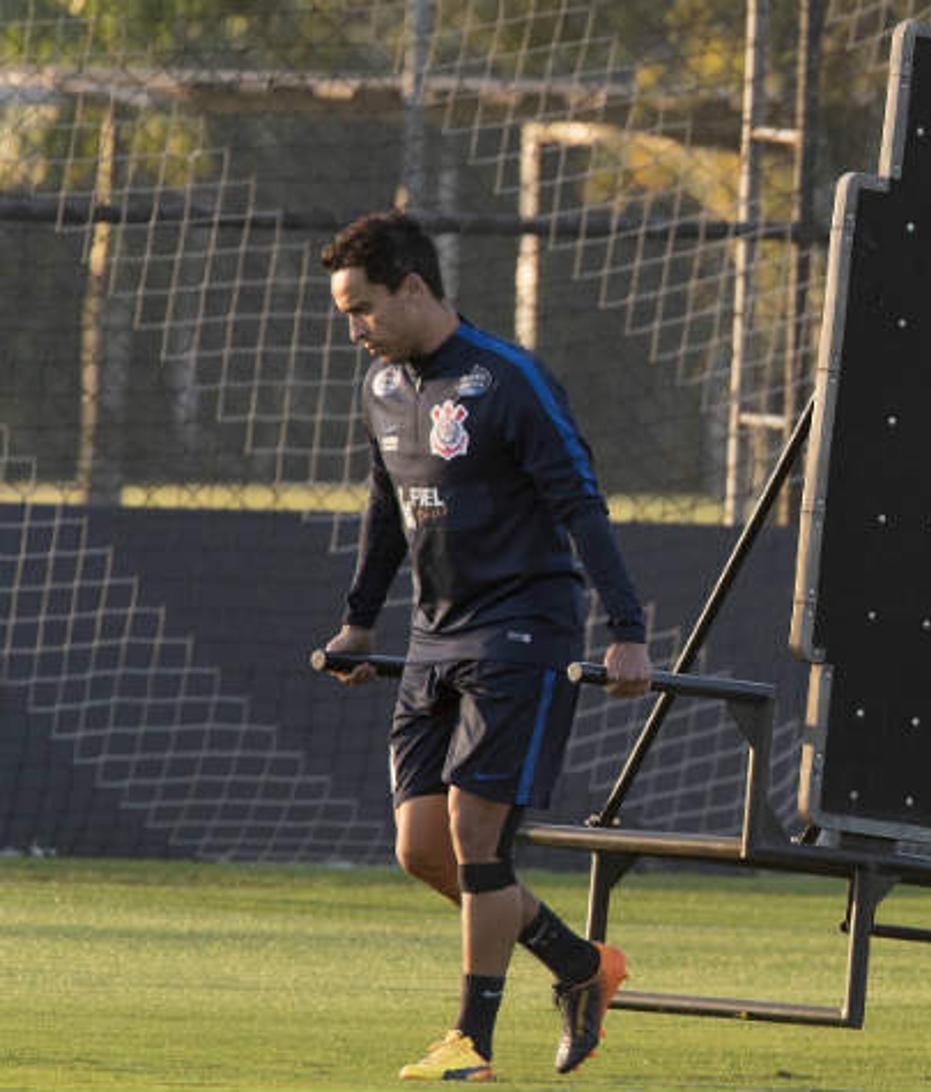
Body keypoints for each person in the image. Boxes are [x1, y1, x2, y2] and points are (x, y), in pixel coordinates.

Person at [318, 209, 653, 1082]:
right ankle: (581, 966)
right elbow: (383, 511)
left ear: (415, 288)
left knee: (475, 832)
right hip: (435, 637)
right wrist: (361, 619)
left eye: (362, 309)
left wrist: (626, 630)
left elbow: (582, 502)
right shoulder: (383, 389)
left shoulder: (509, 379)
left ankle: (471, 1041)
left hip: (524, 628)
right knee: (422, 849)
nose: (353, 328)